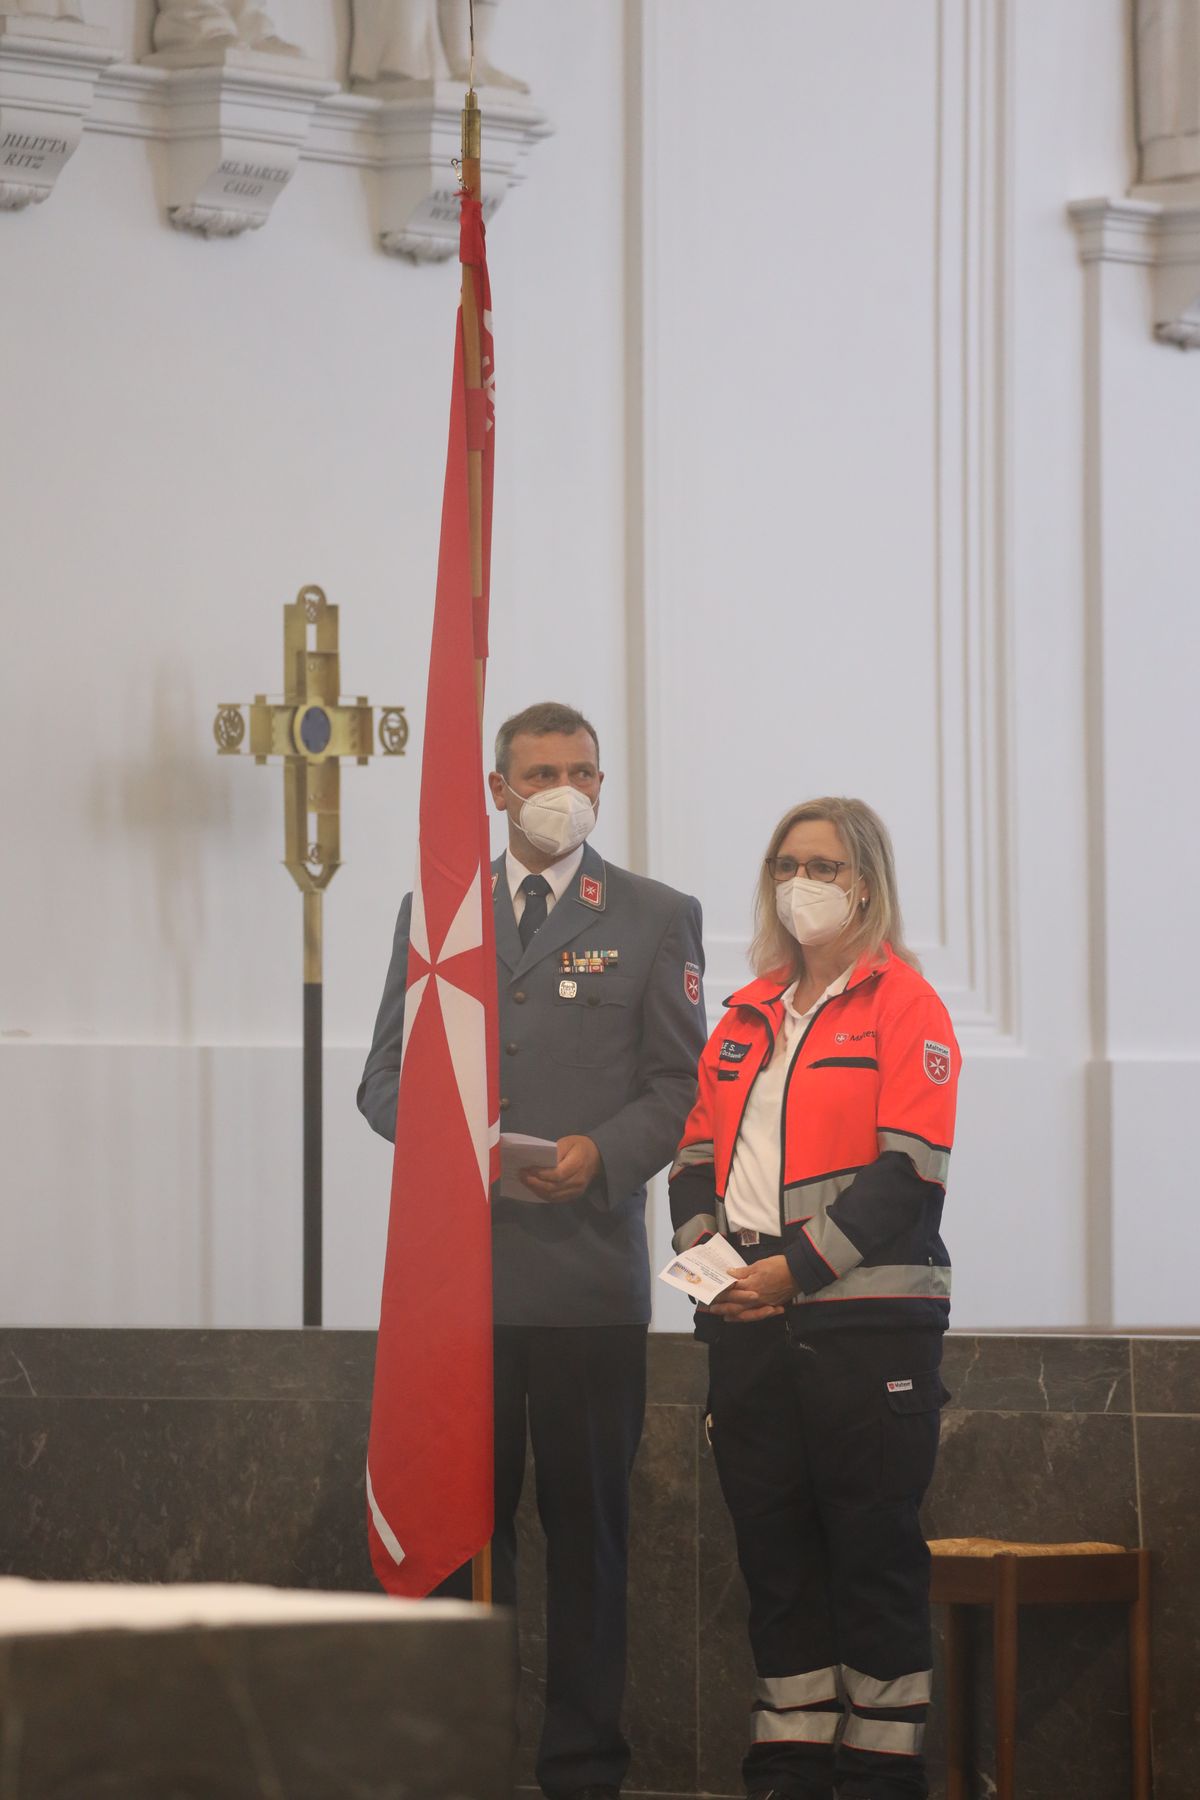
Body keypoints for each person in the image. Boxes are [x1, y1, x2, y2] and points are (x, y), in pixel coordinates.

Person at [359, 700, 707, 1800]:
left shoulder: (655, 915)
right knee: (463, 1543)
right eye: (542, 772)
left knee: (589, 1541)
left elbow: (681, 1088)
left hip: (586, 1286)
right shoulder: (440, 912)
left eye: (582, 771)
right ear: (498, 788)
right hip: (462, 1292)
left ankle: (582, 1770)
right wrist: (463, 1148)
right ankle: (463, 1760)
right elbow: (383, 1083)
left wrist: (600, 1156)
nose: (565, 790)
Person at [668, 797, 960, 1800]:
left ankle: (879, 1776)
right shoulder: (745, 1014)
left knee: (873, 1562)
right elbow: (694, 1155)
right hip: (747, 1325)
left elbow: (909, 1171)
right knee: (776, 1562)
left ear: (865, 885)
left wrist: (794, 1269)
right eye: (787, 864)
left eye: (824, 866)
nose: (803, 882)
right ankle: (788, 1772)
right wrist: (711, 1271)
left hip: (864, 1329)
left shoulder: (905, 1004)